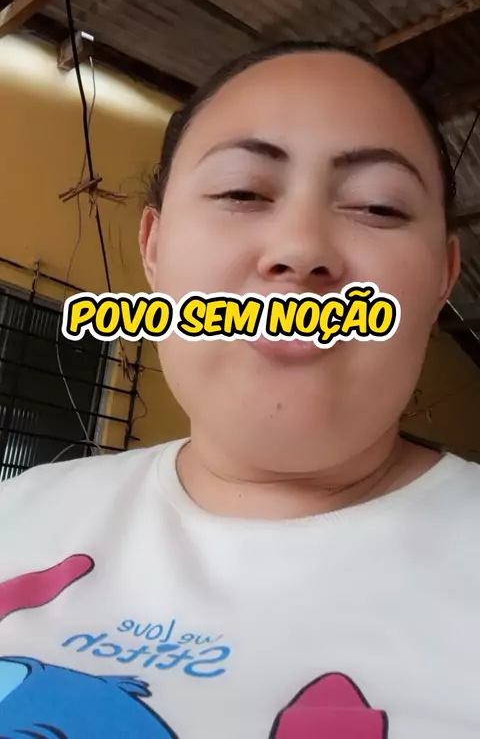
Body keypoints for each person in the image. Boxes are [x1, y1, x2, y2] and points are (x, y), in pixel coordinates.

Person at [0, 40, 478, 739]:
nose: (301, 249)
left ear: (443, 277)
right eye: (241, 193)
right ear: (154, 247)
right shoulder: (18, 514)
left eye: (378, 207)